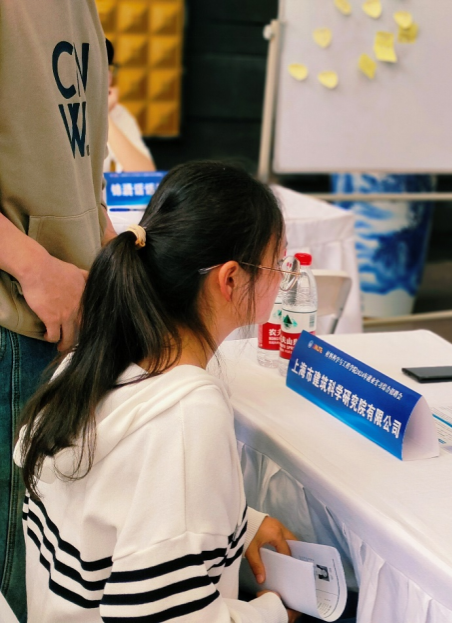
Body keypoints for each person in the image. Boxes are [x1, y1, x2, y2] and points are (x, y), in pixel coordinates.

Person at [15, 161, 300, 622]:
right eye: (277, 264)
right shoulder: (188, 412)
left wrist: (241, 525)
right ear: (230, 279)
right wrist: (273, 615)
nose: (281, 279)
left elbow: (119, 509)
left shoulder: (92, 363)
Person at [0, 2, 116, 619]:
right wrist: (35, 269)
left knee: (48, 569)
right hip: (15, 321)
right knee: (15, 578)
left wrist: (104, 241)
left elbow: (75, 157)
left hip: (65, 319)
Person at [104, 38, 156, 173]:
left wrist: (104, 116)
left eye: (108, 67)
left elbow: (145, 174)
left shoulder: (115, 112)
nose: (108, 76)